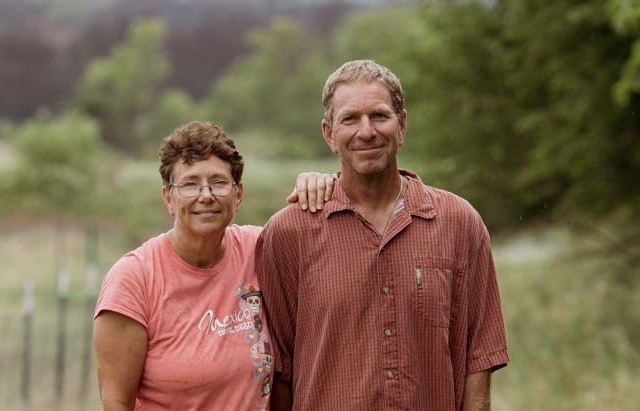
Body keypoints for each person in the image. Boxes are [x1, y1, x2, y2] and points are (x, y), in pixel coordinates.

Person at [256, 60, 509, 410]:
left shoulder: (459, 223)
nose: (366, 131)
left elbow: (479, 359)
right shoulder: (289, 233)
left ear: (401, 125)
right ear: (329, 134)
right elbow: (279, 370)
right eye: (350, 119)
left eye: (379, 116)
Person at [93, 120, 334, 410]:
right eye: (190, 184)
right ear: (168, 198)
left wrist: (324, 185)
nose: (206, 195)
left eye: (218, 182)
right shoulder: (134, 279)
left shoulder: (260, 250)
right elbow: (117, 402)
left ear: (238, 195)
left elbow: (324, 251)